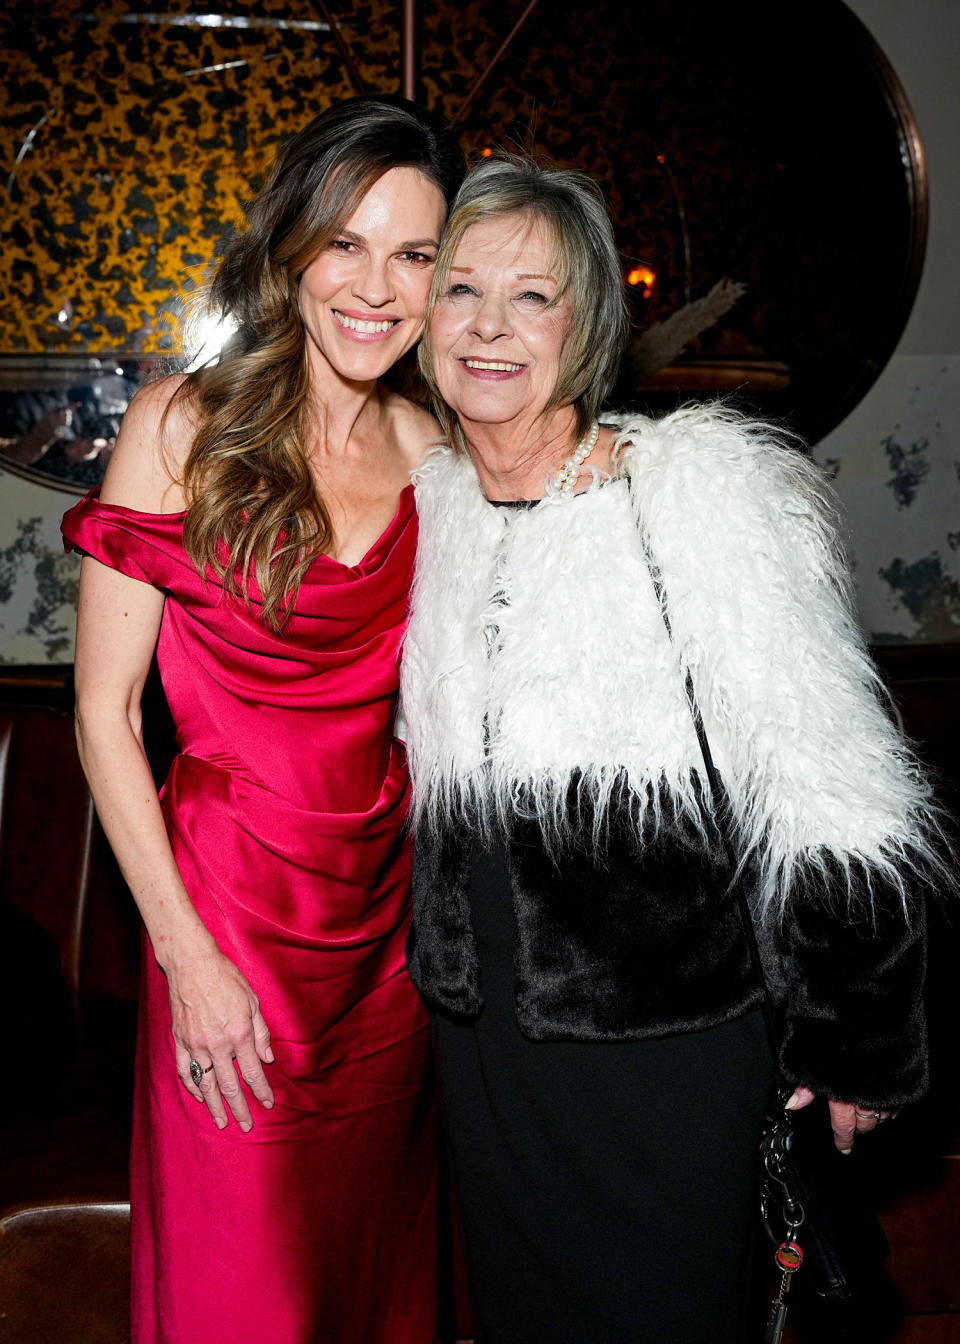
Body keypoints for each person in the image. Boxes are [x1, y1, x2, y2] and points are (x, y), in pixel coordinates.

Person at [399, 153, 946, 1343]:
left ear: (587, 322)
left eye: (533, 296)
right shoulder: (429, 501)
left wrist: (854, 1040)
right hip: (485, 1045)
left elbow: (833, 787)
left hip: (664, 1048)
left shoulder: (697, 497)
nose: (491, 327)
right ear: (424, 317)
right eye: (461, 290)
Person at [62, 96, 463, 1344]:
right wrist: (184, 957)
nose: (375, 287)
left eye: (412, 256)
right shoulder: (181, 428)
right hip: (226, 936)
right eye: (346, 242)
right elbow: (101, 714)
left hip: (386, 955)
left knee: (366, 1291)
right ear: (292, 247)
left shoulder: (436, 450)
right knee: (249, 1304)